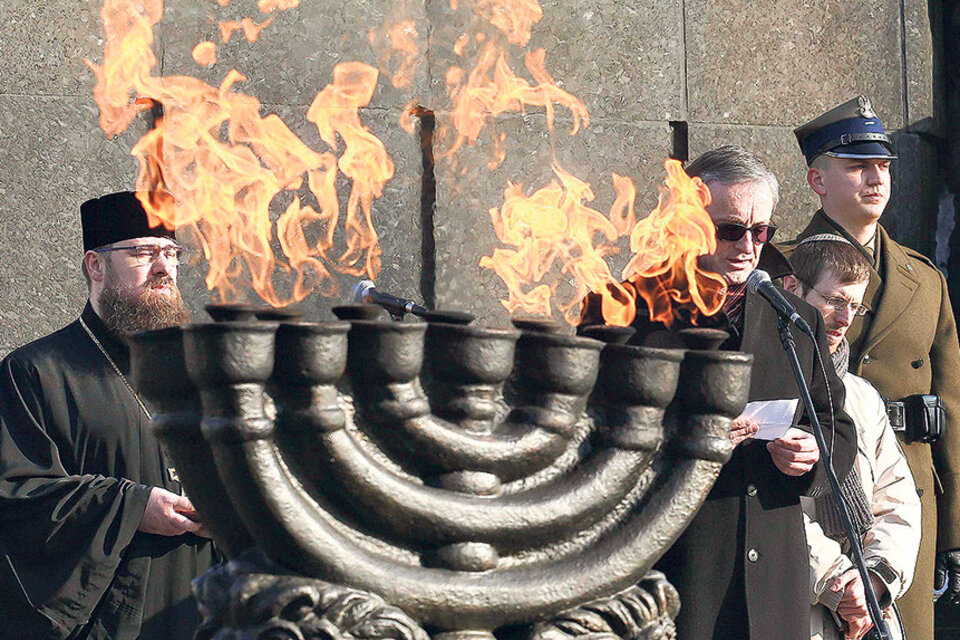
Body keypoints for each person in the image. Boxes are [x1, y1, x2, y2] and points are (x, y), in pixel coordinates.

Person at [635, 146, 856, 640]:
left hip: (774, 581)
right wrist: (693, 438)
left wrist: (811, 451)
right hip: (678, 574)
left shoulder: (793, 318)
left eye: (762, 232)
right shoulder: (635, 313)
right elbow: (595, 431)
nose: (748, 246)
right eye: (731, 229)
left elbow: (836, 425)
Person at [0, 191, 215, 639]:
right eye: (143, 252)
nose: (163, 267)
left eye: (171, 254)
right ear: (95, 266)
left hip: (203, 608)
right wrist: (132, 507)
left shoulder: (200, 369)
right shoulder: (34, 372)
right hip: (108, 621)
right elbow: (16, 496)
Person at [783, 96, 960, 638]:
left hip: (901, 506)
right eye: (857, 165)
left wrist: (953, 534)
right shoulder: (781, 270)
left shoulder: (923, 278)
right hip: (807, 499)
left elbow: (952, 404)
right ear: (817, 178)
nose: (875, 178)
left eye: (883, 165)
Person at [780, 235, 921, 640]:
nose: (846, 319)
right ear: (793, 290)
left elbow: (898, 499)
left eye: (855, 306)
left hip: (870, 609)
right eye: (834, 301)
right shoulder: (765, 384)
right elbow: (772, 507)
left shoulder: (863, 396)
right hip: (800, 606)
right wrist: (840, 583)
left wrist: (876, 578)